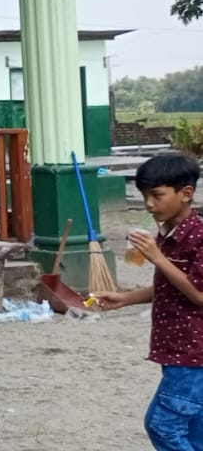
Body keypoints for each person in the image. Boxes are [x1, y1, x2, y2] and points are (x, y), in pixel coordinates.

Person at [95, 153, 202, 450]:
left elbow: (198, 295)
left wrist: (158, 257)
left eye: (156, 195)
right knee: (193, 431)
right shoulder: (169, 233)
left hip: (194, 352)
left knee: (163, 427)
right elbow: (171, 284)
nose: (149, 204)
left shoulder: (199, 236)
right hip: (177, 349)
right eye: (145, 196)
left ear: (186, 194)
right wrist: (125, 299)